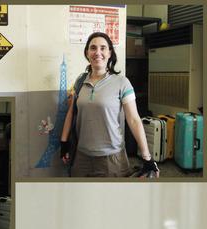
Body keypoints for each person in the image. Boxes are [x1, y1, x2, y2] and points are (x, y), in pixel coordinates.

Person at [60, 32, 159, 177]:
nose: (97, 52)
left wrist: (147, 157)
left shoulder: (122, 82)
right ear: (87, 52)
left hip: (112, 159)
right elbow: (71, 113)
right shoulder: (80, 81)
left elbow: (134, 120)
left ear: (110, 53)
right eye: (93, 48)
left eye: (103, 48)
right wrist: (64, 143)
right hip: (81, 157)